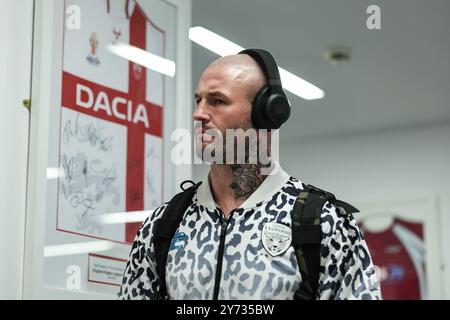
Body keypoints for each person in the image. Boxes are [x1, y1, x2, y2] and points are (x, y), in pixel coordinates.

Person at [117, 49, 382, 300]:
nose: (198, 114)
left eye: (217, 101)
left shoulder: (323, 223)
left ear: (266, 113)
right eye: (198, 100)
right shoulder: (164, 224)